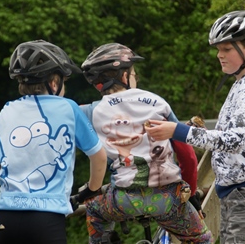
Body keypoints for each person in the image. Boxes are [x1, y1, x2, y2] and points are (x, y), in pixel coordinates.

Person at [145, 10, 245, 244]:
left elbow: (234, 140)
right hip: (240, 192)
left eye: (227, 49)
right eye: (218, 49)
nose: (220, 55)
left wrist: (177, 131)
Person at [79, 43, 213, 243]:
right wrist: (190, 192)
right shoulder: (157, 101)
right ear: (124, 77)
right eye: (134, 73)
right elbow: (187, 155)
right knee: (202, 239)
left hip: (124, 200)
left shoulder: (90, 111)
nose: (136, 78)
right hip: (169, 198)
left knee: (94, 210)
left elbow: (97, 156)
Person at [0, 40, 107, 244]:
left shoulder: (6, 110)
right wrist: (90, 189)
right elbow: (98, 156)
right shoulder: (69, 108)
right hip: (46, 219)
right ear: (54, 83)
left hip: (4, 218)